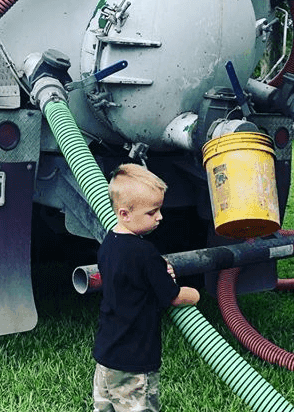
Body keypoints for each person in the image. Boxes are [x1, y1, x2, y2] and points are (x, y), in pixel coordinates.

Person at [92, 163, 200, 412]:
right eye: (152, 212)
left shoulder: (108, 243)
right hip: (135, 361)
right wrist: (193, 294)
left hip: (106, 357)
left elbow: (132, 277)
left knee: (104, 407)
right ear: (124, 214)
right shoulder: (145, 253)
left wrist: (159, 271)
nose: (160, 217)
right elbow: (172, 296)